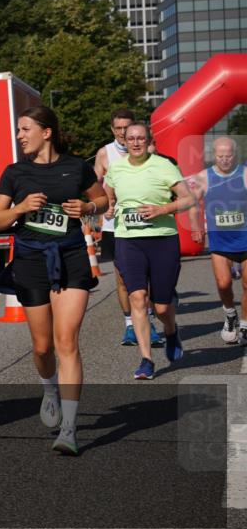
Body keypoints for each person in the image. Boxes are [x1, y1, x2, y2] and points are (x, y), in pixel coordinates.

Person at [0, 106, 107, 456]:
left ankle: (69, 429)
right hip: (30, 261)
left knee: (66, 341)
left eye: (25, 129)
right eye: (18, 130)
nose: (19, 136)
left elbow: (102, 199)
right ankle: (50, 388)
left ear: (47, 132)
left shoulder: (76, 167)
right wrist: (20, 207)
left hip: (71, 257)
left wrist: (87, 209)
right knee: (42, 347)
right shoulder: (14, 172)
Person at [104, 122, 196, 381]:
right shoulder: (116, 168)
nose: (135, 143)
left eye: (140, 138)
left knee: (162, 307)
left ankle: (171, 330)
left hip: (162, 240)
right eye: (131, 138)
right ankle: (146, 360)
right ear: (124, 141)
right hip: (128, 240)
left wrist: (162, 209)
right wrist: (108, 206)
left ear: (148, 140)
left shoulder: (164, 166)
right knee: (138, 297)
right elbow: (108, 192)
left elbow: (189, 198)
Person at [94, 108, 163, 347]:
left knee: (148, 277)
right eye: (119, 128)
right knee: (123, 278)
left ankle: (149, 322)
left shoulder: (149, 150)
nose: (123, 133)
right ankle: (130, 325)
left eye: (127, 127)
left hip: (146, 224)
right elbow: (94, 187)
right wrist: (104, 206)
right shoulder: (104, 153)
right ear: (112, 130)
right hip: (116, 227)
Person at [186, 136, 247, 345]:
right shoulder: (204, 177)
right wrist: (195, 226)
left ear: (234, 155)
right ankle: (230, 314)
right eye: (220, 156)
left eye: (228, 156)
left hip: (245, 237)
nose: (224, 160)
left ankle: (245, 325)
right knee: (223, 283)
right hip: (220, 240)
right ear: (213, 156)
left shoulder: (244, 173)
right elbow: (193, 204)